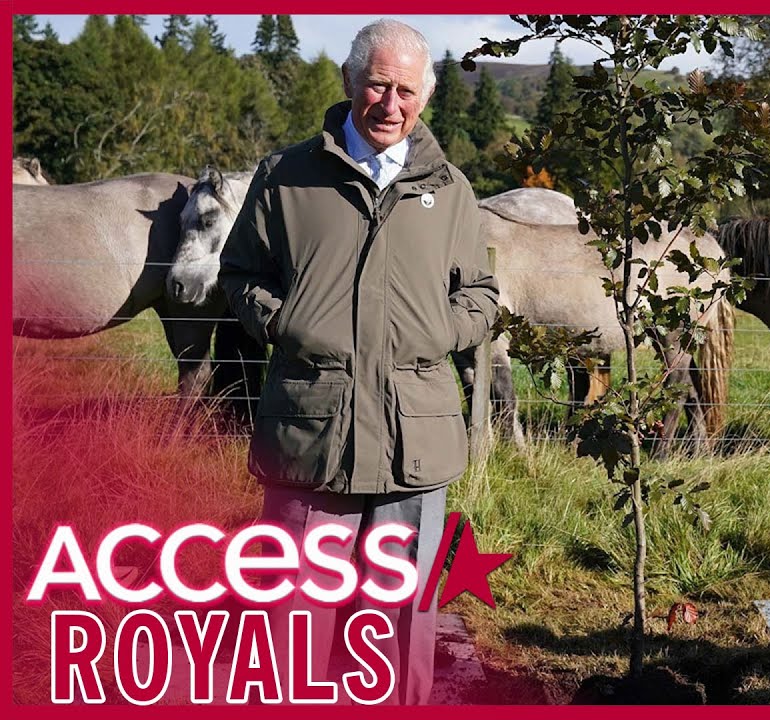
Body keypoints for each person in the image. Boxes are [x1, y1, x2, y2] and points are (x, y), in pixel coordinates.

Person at [219, 19, 498, 705]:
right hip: (313, 432)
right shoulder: (286, 178)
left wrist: (438, 331)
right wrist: (287, 322)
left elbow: (482, 294)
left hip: (415, 435)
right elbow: (239, 273)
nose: (391, 104)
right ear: (349, 83)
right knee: (293, 611)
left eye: (406, 90)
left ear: (424, 98)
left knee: (399, 619)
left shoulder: (451, 189)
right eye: (378, 84)